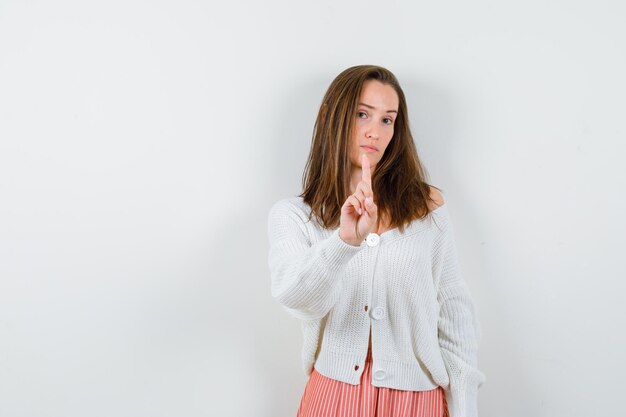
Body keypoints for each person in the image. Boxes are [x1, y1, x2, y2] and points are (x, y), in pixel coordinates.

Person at [267, 65, 485, 417]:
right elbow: (298, 299)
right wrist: (344, 242)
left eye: (388, 120)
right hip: (334, 397)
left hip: (417, 400)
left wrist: (464, 406)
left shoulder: (425, 208)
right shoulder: (294, 216)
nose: (375, 131)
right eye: (362, 114)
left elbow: (454, 308)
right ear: (330, 117)